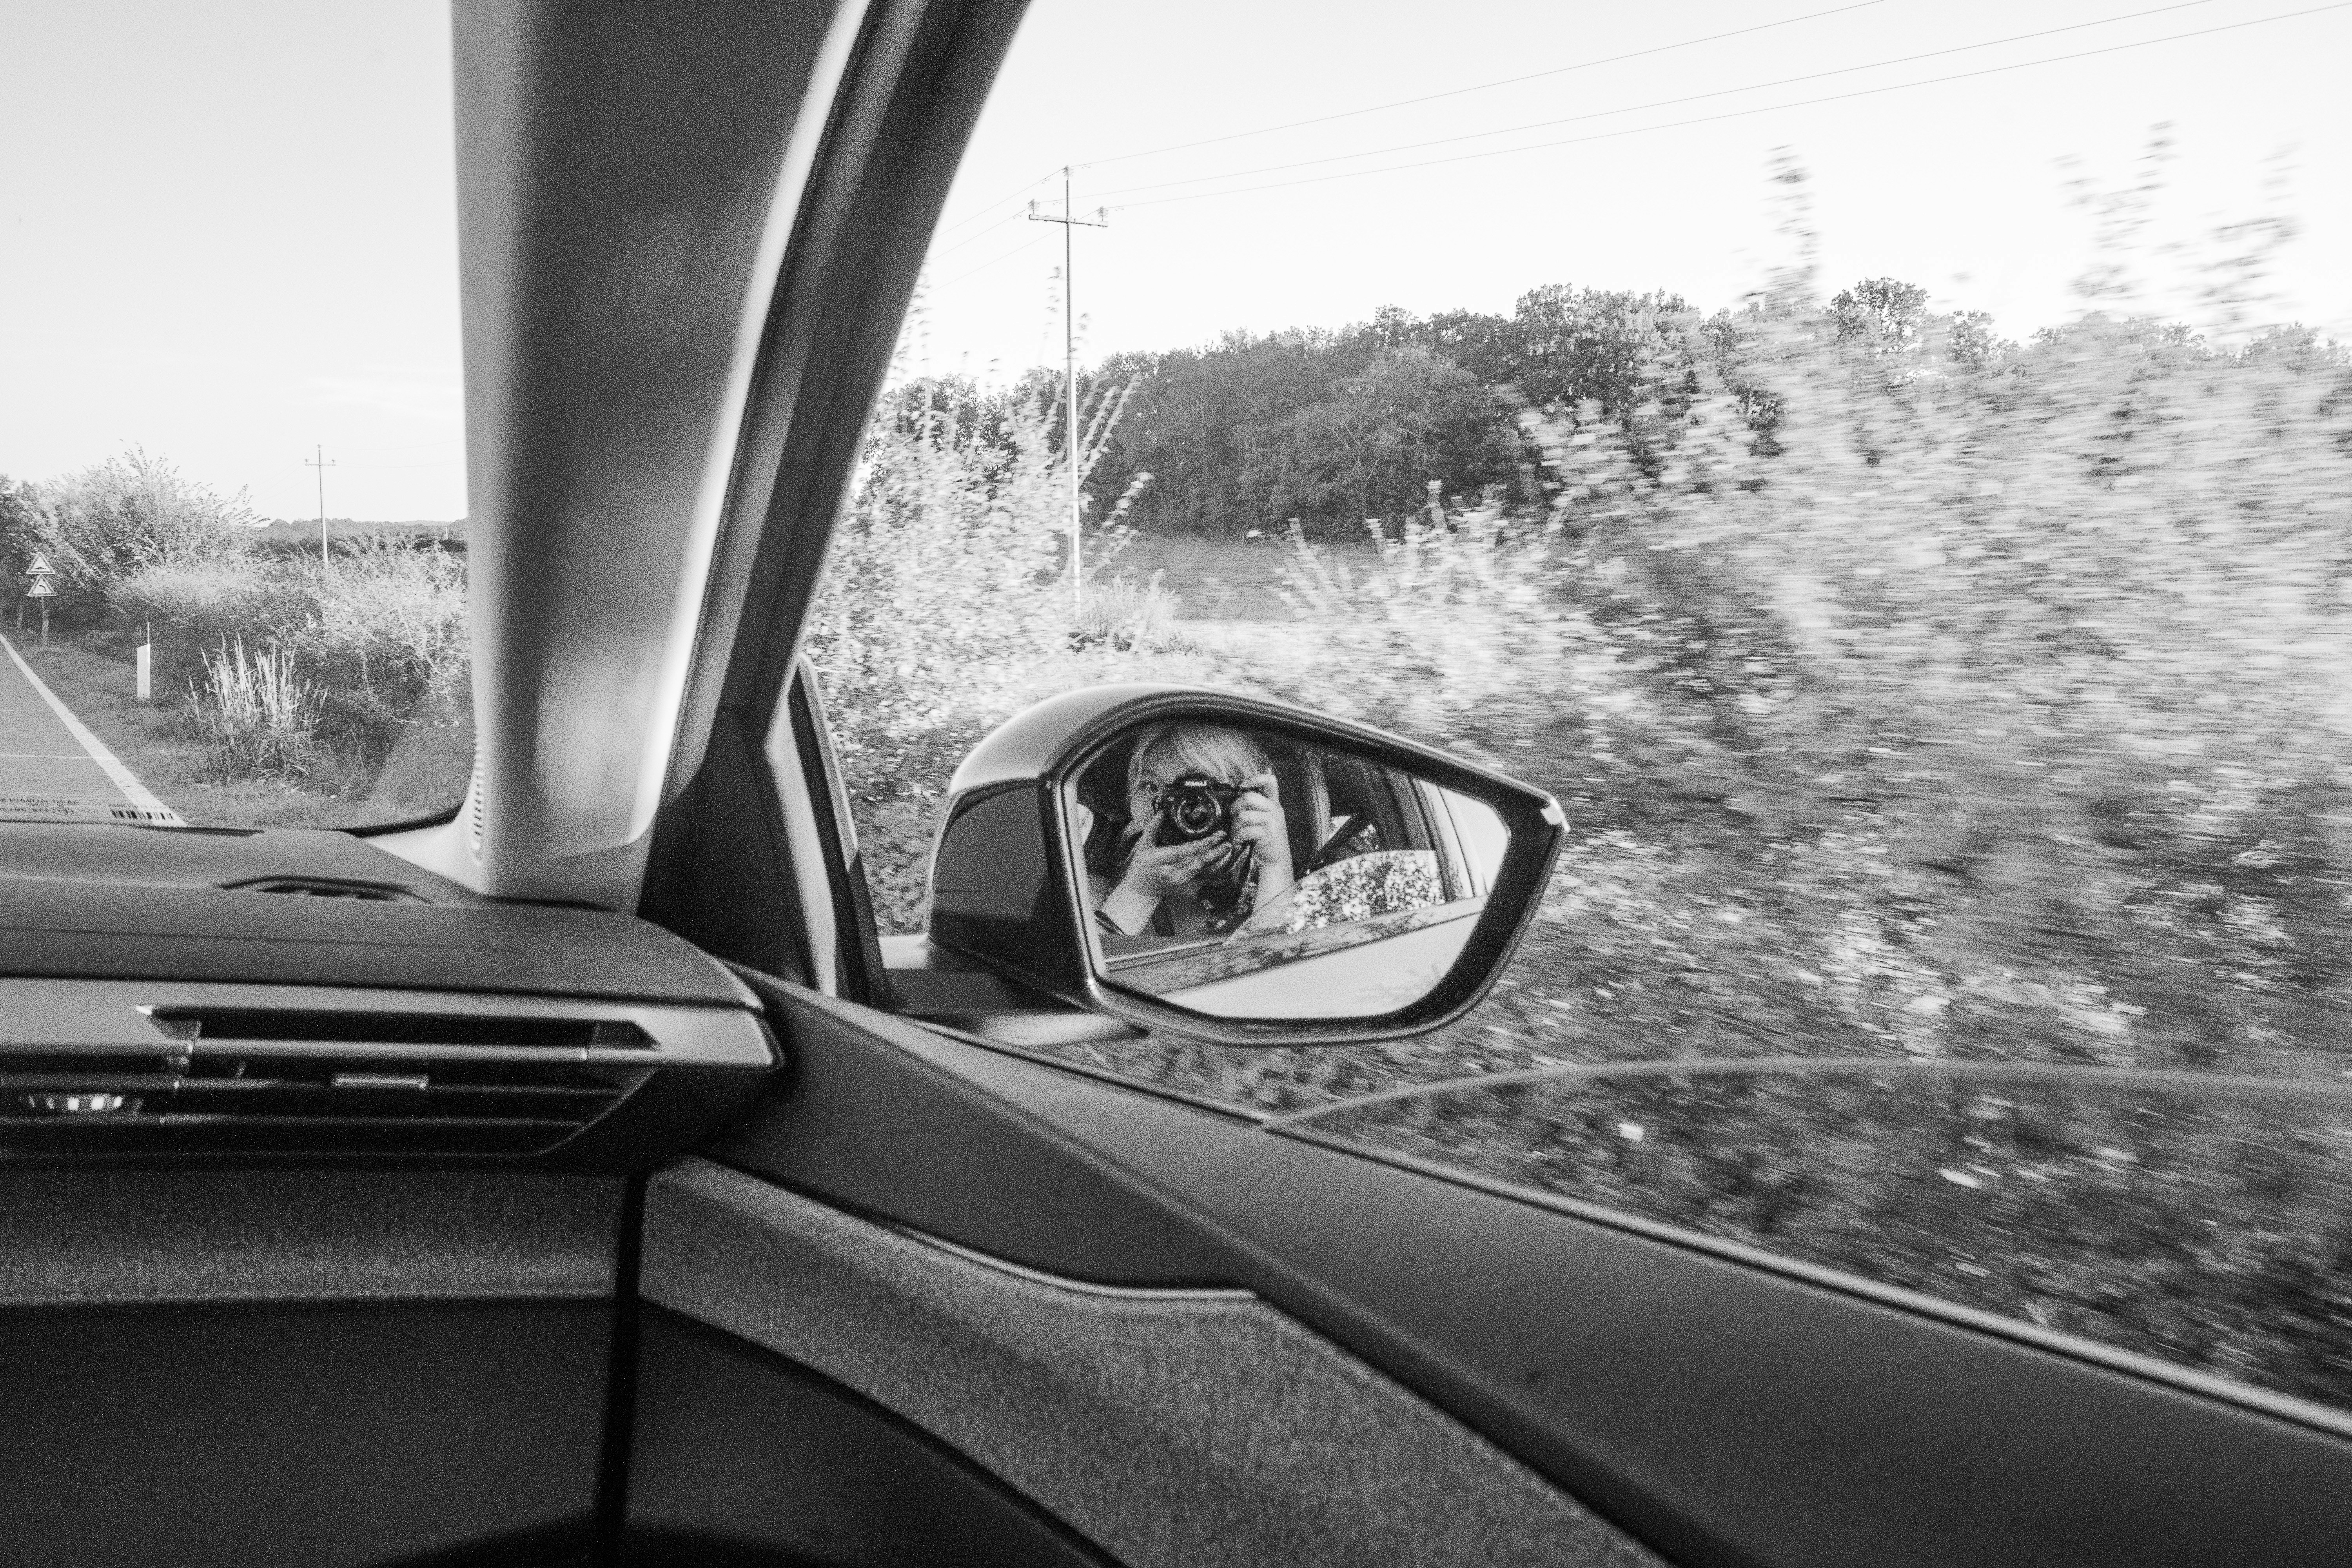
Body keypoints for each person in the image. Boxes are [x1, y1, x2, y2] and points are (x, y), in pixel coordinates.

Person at [1087, 723, 1294, 940]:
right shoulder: (1088, 895)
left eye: (1194, 794)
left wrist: (1275, 866)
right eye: (1150, 786)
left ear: (1246, 801)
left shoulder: (1260, 893)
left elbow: (1277, 966)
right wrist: (1140, 892)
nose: (1170, 806)